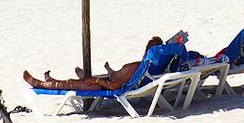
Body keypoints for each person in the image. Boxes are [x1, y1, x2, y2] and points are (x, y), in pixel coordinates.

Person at [25, 36, 166, 90]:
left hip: (103, 87)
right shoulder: (145, 66)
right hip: (109, 80)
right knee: (83, 79)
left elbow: (114, 86)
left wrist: (97, 81)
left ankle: (40, 84)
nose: (145, 49)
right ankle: (54, 80)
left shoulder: (137, 67)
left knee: (69, 83)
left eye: (148, 47)